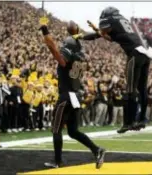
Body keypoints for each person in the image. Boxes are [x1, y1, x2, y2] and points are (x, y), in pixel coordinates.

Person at [75, 7, 152, 133]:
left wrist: (81, 36)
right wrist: (97, 31)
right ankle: (142, 119)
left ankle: (128, 123)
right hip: (145, 55)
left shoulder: (110, 20)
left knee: (130, 89)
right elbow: (109, 36)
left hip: (134, 54)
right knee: (141, 89)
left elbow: (99, 34)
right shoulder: (123, 21)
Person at [39, 20, 105, 169]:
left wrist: (46, 34)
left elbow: (58, 55)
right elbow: (86, 37)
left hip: (67, 95)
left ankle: (57, 161)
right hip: (75, 95)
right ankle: (97, 149)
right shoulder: (81, 53)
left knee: (56, 128)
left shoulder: (69, 48)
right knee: (73, 131)